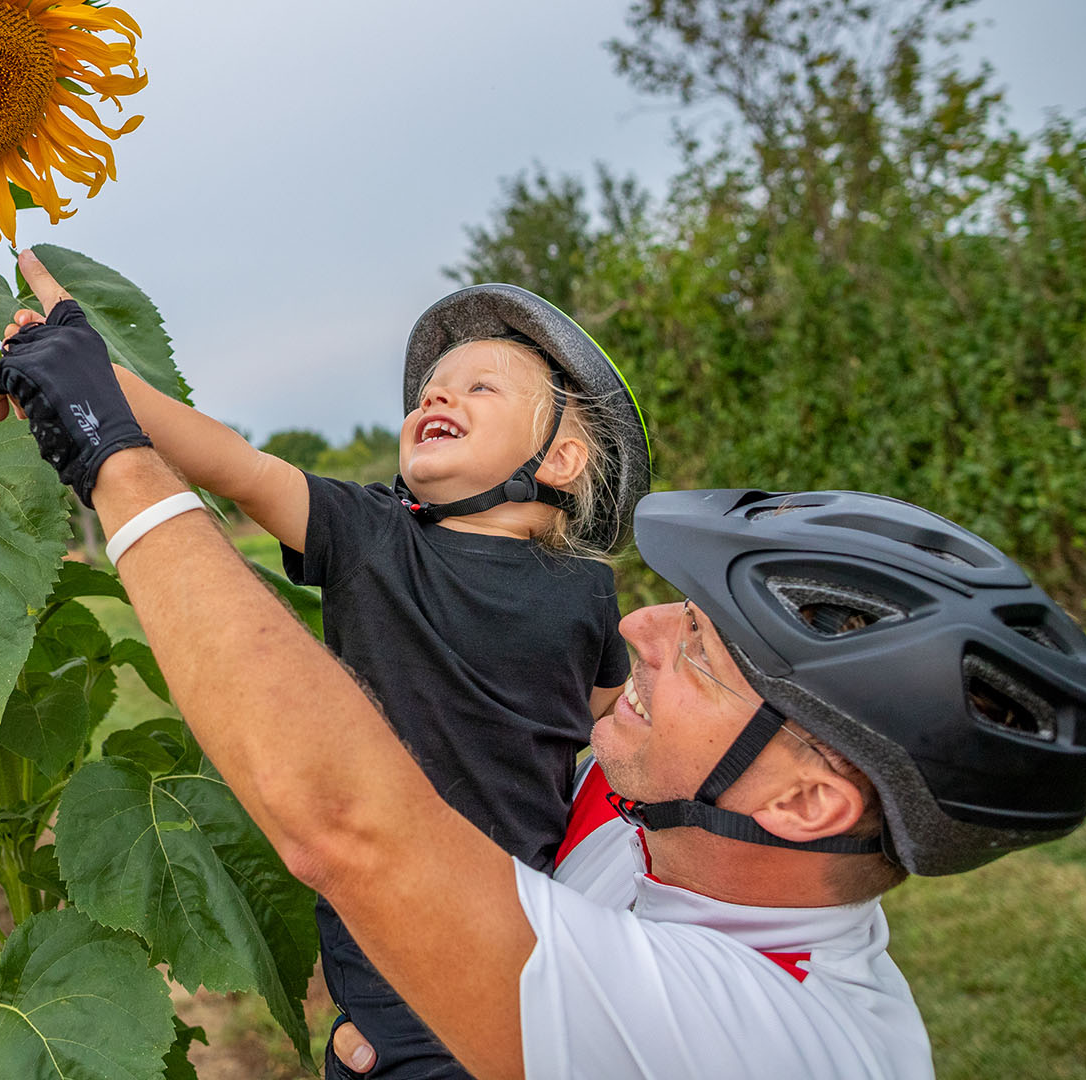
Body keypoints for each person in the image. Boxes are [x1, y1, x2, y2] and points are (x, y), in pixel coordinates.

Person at [0, 263, 1086, 1080]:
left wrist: (109, 445)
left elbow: (353, 825)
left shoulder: (759, 1041)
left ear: (807, 799)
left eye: (705, 654)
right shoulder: (658, 823)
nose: (640, 632)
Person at [67, 267, 653, 1077]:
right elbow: (237, 465)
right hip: (395, 954)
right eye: (428, 393)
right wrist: (96, 380)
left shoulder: (589, 589)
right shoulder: (371, 534)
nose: (435, 400)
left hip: (535, 934)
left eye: (478, 386)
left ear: (560, 458)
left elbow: (607, 723)